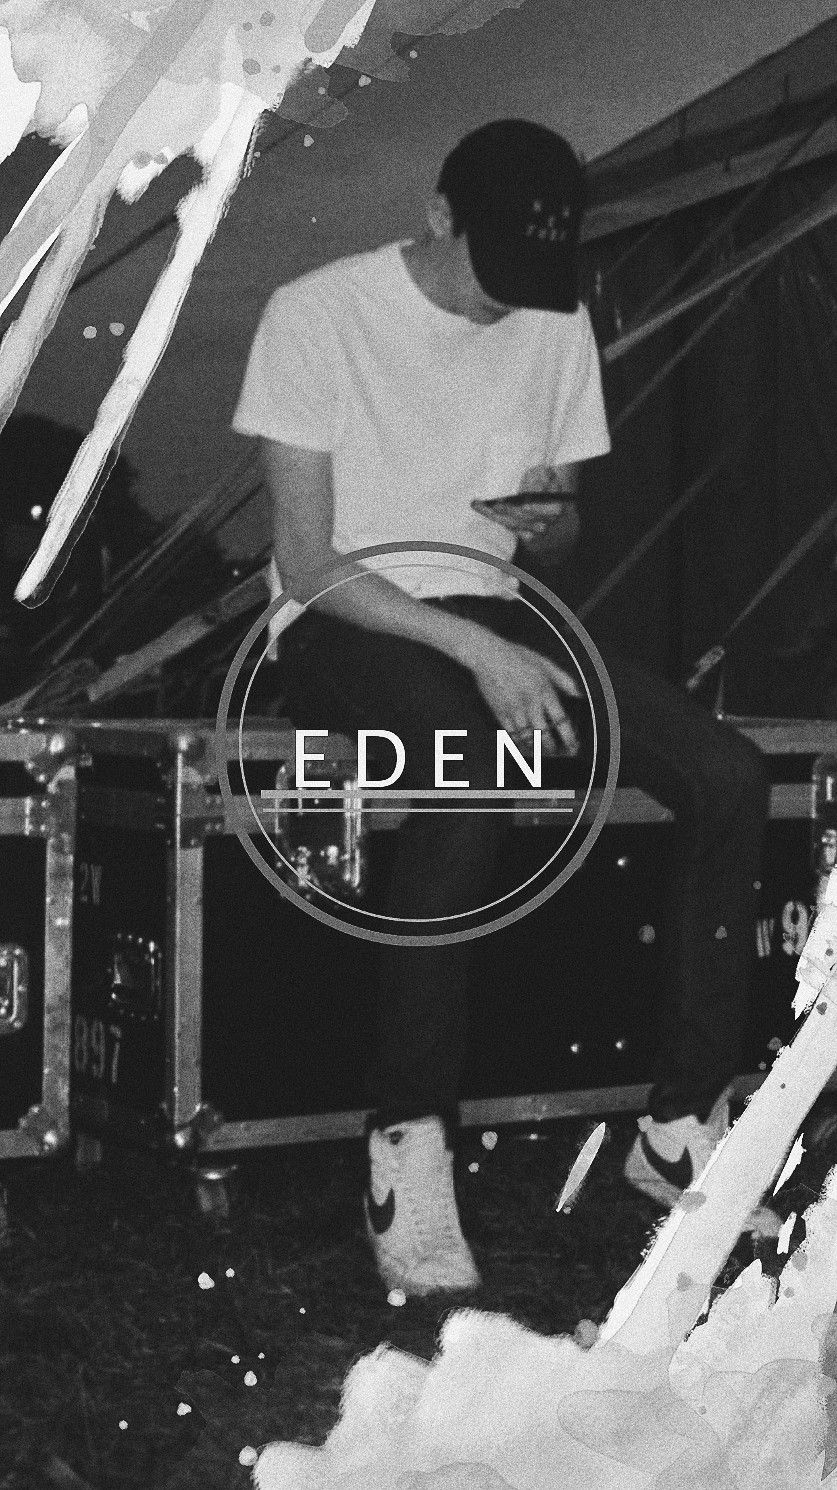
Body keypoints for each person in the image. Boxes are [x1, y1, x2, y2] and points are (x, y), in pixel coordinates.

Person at [232, 118, 776, 1297]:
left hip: (497, 608)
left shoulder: (554, 315)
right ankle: (406, 1140)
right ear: (438, 216)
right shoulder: (314, 314)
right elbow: (310, 559)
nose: (510, 303)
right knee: (465, 768)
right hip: (345, 619)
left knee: (729, 775)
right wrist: (475, 648)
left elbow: (558, 532)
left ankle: (679, 1124)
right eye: (495, 269)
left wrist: (552, 524)